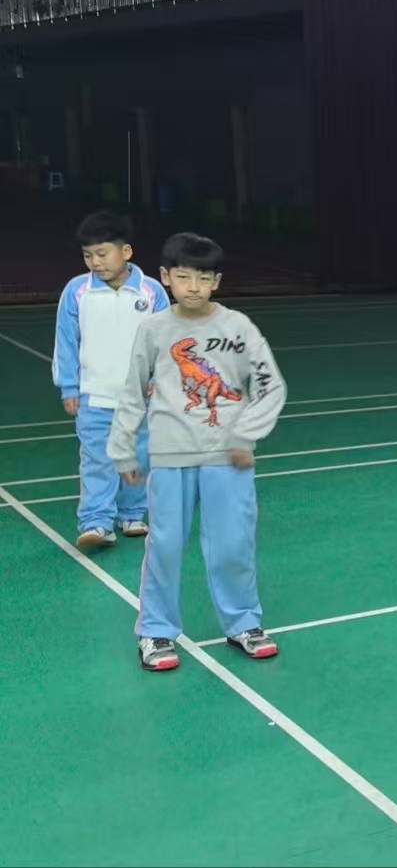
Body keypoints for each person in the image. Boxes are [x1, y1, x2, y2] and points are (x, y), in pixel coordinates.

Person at [108, 233, 287, 672]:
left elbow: (270, 385)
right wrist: (123, 448)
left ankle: (244, 623)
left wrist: (246, 435)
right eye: (184, 277)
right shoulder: (153, 330)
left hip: (229, 458)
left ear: (217, 281)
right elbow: (132, 391)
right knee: (166, 546)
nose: (193, 287)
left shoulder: (238, 327)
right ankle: (155, 631)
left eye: (203, 279)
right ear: (165, 277)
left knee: (233, 544)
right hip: (171, 455)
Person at [54, 210, 169, 550]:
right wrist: (69, 387)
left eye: (102, 254)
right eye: (88, 255)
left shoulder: (151, 292)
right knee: (98, 461)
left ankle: (132, 514)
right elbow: (66, 341)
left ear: (126, 251)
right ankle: (96, 522)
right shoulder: (77, 291)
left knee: (139, 458)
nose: (95, 262)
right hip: (93, 398)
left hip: (140, 399)